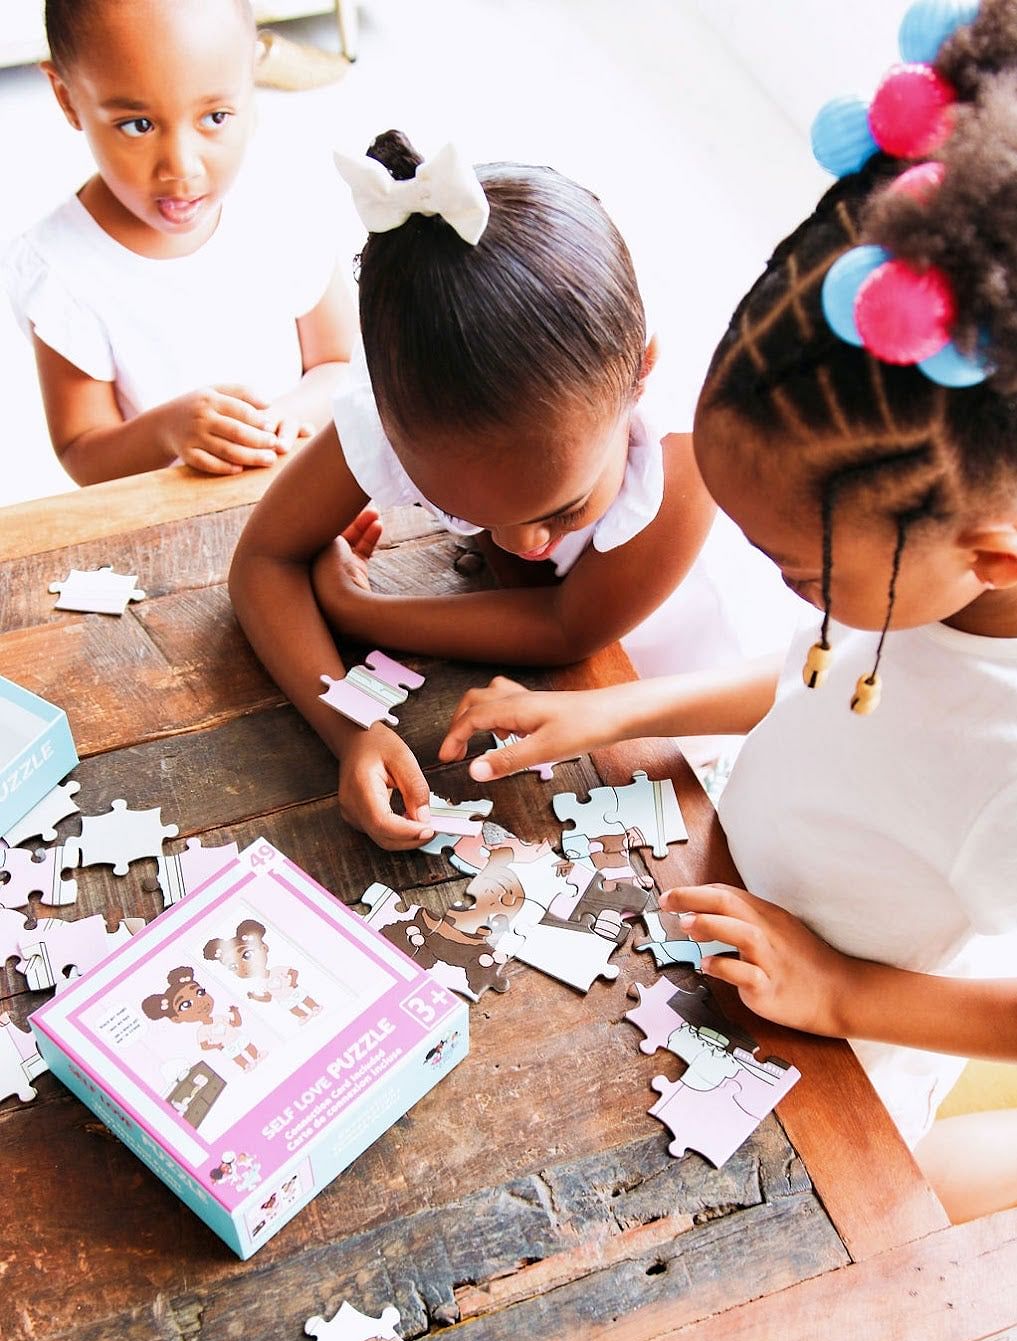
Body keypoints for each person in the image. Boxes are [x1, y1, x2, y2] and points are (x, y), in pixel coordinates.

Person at [438, 0, 1017, 1221]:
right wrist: (609, 709)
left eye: (800, 568)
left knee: (890, 1220)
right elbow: (824, 678)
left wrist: (843, 991)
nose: (776, 586)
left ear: (989, 557)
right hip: (733, 921)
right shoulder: (927, 576)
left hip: (839, 1053)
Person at [230, 129, 790, 850]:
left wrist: (353, 607)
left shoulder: (689, 442)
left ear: (639, 373)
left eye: (561, 510)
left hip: (680, 712)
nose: (520, 543)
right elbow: (262, 560)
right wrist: (351, 731)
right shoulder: (406, 408)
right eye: (465, 512)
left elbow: (568, 629)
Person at [1, 0, 356, 484]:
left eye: (215, 117)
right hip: (171, 522)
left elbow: (340, 363)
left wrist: (286, 417)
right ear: (67, 98)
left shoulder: (280, 204)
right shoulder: (60, 268)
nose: (182, 167)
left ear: (249, 74)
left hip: (300, 483)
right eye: (138, 125)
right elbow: (82, 452)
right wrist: (166, 433)